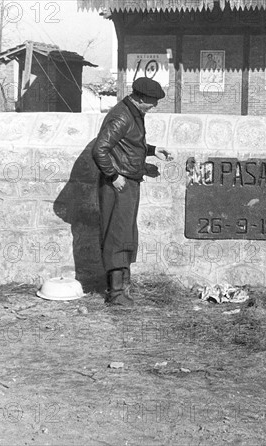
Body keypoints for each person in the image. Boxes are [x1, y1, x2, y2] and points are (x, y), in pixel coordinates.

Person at [92, 77, 172, 307]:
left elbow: (129, 144)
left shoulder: (132, 113)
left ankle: (123, 289)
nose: (154, 106)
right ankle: (116, 294)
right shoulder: (121, 116)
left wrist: (153, 150)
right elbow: (100, 150)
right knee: (117, 234)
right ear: (139, 98)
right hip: (119, 185)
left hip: (128, 182)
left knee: (126, 233)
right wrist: (113, 176)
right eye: (152, 101)